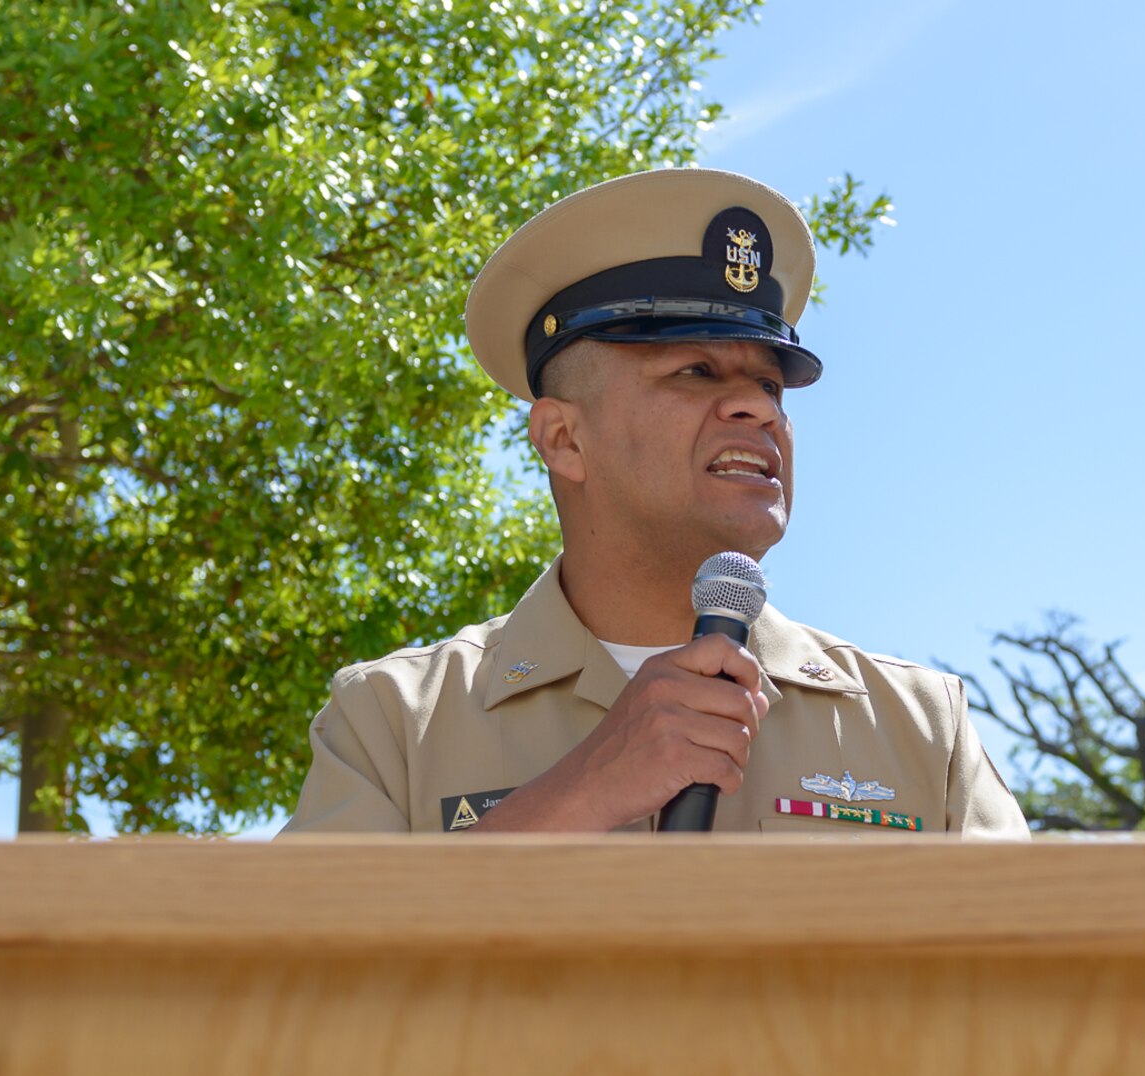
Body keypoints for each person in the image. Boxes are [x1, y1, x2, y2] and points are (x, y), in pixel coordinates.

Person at [282, 168, 1027, 837]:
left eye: (770, 384)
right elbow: (307, 985)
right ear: (564, 439)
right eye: (696, 370)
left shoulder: (923, 729)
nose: (759, 410)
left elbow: (1051, 979)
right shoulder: (391, 724)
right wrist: (579, 793)